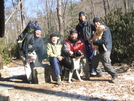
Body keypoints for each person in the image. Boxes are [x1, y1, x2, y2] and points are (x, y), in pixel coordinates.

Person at [91, 17, 118, 83]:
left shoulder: (105, 29)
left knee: (106, 64)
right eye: (94, 23)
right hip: (98, 49)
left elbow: (104, 40)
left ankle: (114, 75)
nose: (96, 24)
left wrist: (94, 42)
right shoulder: (96, 30)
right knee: (93, 62)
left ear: (99, 22)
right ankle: (99, 73)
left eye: (97, 22)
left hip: (106, 48)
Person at [76, 11, 96, 76]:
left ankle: (93, 71)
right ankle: (88, 72)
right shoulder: (78, 26)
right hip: (83, 44)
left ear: (85, 16)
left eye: (83, 16)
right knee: (86, 58)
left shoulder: (90, 24)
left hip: (90, 42)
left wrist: (93, 38)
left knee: (91, 57)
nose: (82, 17)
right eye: (80, 16)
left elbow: (96, 31)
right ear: (79, 17)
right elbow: (77, 35)